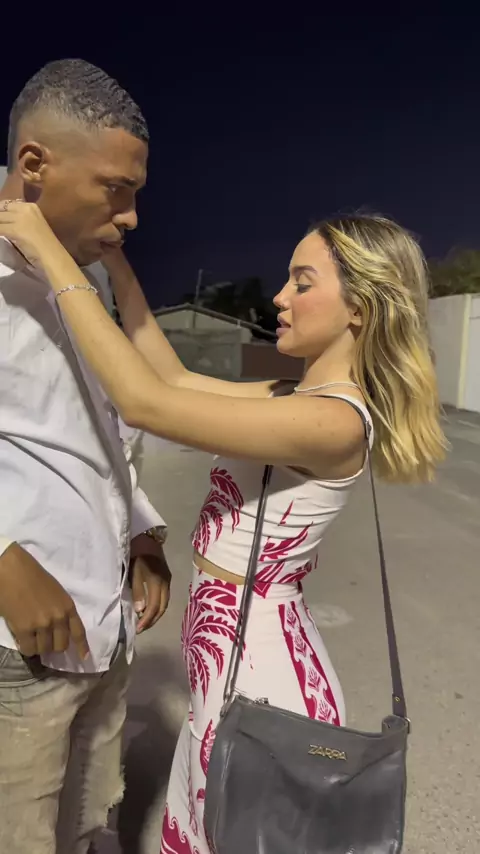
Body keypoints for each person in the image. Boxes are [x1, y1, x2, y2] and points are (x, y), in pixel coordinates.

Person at [0, 201, 447, 853]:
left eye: (302, 282)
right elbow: (171, 377)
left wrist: (48, 250)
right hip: (228, 664)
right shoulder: (293, 397)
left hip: (266, 681)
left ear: (360, 307)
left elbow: (144, 403)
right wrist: (119, 266)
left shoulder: (336, 422)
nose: (279, 297)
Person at [0, 60, 172, 854]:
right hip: (19, 653)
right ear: (35, 164)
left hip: (105, 627)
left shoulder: (82, 281)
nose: (131, 216)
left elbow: (105, 426)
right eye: (116, 189)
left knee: (94, 825)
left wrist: (140, 531)